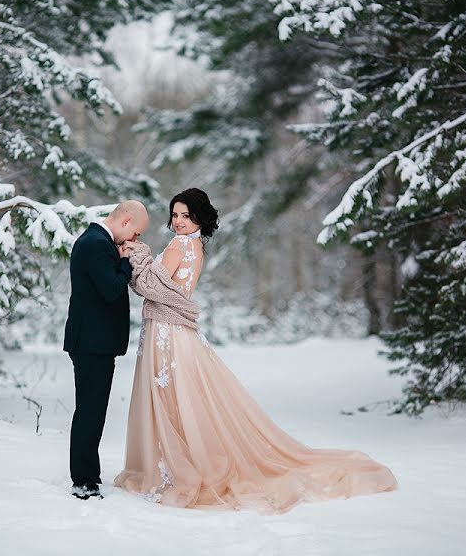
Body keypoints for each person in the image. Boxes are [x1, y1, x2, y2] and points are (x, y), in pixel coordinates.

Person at [114, 188, 397, 513]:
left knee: (172, 400)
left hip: (167, 331)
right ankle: (180, 461)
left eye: (186, 216)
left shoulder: (179, 245)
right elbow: (159, 286)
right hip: (173, 329)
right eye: (175, 215)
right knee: (181, 399)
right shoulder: (196, 246)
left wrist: (135, 255)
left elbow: (150, 286)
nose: (178, 222)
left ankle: (176, 468)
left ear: (198, 219)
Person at [63, 200, 149, 500]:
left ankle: (88, 475)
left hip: (95, 342)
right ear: (125, 221)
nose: (135, 241)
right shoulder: (96, 244)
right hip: (90, 343)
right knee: (90, 411)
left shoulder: (97, 241)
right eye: (136, 234)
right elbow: (112, 288)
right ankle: (83, 481)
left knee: (93, 411)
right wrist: (125, 261)